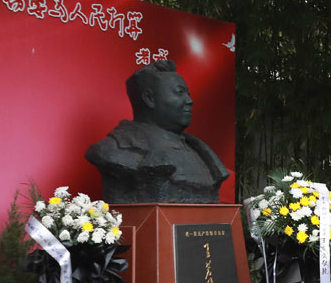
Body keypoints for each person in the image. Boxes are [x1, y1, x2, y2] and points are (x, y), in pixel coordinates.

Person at [86, 60, 229, 204]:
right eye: (179, 93)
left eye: (188, 94)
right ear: (149, 99)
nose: (189, 100)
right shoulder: (112, 150)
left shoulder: (200, 152)